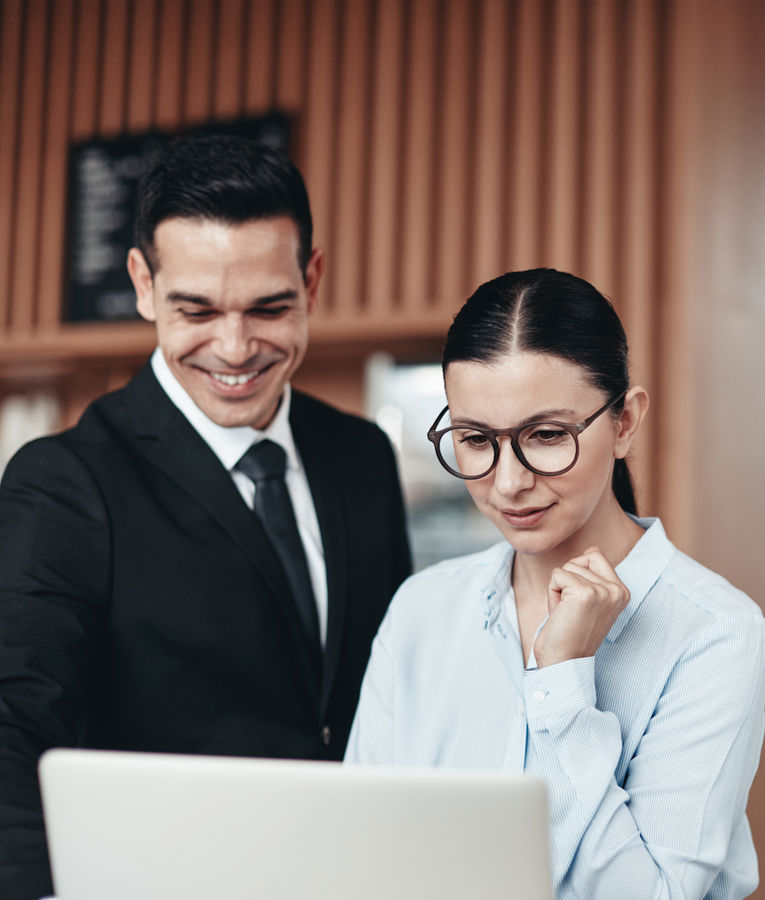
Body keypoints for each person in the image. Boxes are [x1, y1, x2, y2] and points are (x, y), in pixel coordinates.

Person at [0, 135, 411, 900]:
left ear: (311, 281)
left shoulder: (360, 457)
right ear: (143, 285)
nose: (234, 347)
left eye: (268, 307)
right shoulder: (63, 482)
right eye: (196, 309)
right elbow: (11, 727)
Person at [345, 268, 765, 899]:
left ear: (624, 422)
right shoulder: (422, 610)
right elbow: (356, 854)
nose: (508, 482)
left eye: (546, 436)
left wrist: (564, 681)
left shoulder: (713, 631)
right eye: (475, 439)